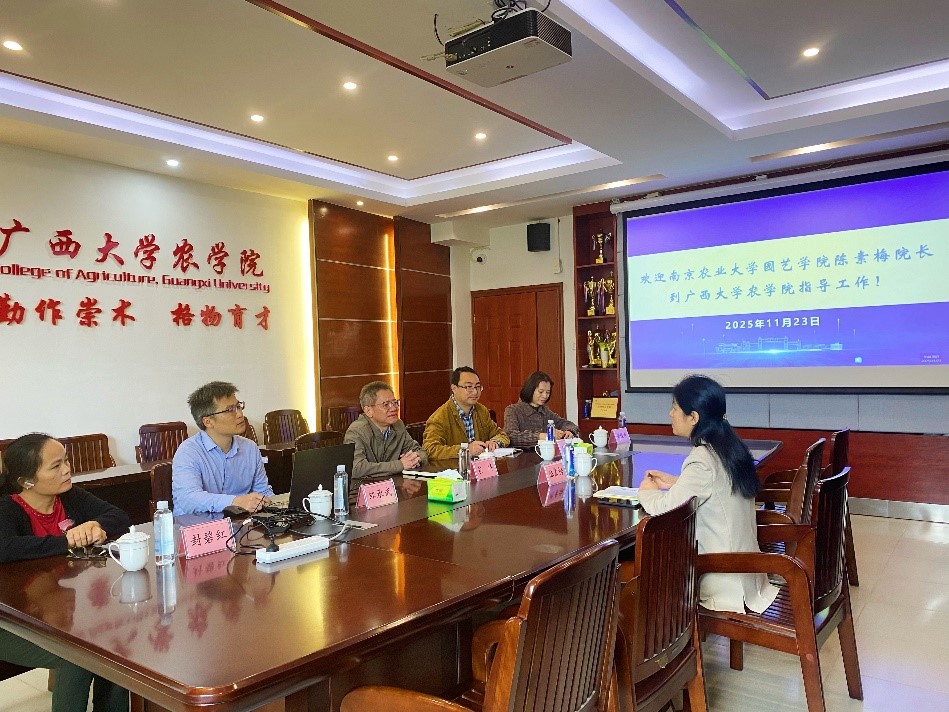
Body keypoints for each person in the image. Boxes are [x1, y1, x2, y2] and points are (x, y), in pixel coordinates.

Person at [0, 433, 130, 712]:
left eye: (66, 461)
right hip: (10, 620)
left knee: (115, 641)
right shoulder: (7, 509)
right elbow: (5, 548)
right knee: (76, 658)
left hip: (59, 614)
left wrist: (96, 525)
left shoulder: (69, 496)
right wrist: (67, 540)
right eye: (56, 466)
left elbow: (119, 516)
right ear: (27, 481)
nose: (67, 469)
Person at [638, 375, 779, 614]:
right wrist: (676, 482)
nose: (670, 414)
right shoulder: (727, 446)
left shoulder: (702, 458)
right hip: (748, 574)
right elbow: (717, 487)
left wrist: (646, 491)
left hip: (725, 579)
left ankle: (665, 629)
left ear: (693, 417)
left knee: (649, 566)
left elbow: (665, 509)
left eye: (675, 408)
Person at [172, 381, 274, 515]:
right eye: (230, 410)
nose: (240, 414)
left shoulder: (250, 448)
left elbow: (263, 491)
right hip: (197, 524)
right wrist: (236, 501)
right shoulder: (188, 452)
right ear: (208, 421)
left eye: (239, 406)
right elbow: (189, 500)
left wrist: (273, 504)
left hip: (240, 523)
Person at [344, 381, 427, 482]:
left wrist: (415, 459)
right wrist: (400, 465)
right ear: (368, 411)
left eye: (395, 402)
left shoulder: (398, 425)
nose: (394, 408)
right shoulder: (356, 431)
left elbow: (420, 452)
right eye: (386, 404)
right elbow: (356, 468)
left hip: (394, 485)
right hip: (365, 488)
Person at [422, 366, 510, 461]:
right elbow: (430, 450)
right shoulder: (439, 417)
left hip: (481, 466)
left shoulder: (481, 411)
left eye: (477, 387)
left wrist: (495, 442)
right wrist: (465, 449)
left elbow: (502, 435)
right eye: (468, 387)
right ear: (454, 388)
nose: (475, 392)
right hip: (454, 468)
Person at [503, 371, 578, 447]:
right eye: (541, 392)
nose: (545, 396)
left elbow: (567, 424)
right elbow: (510, 436)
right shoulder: (513, 410)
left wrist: (569, 431)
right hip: (522, 453)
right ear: (530, 390)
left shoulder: (545, 411)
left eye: (547, 392)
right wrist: (541, 436)